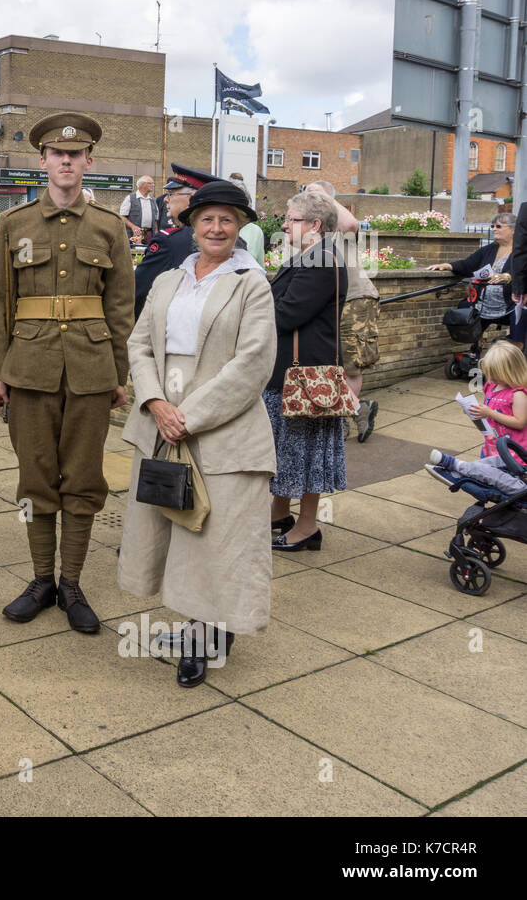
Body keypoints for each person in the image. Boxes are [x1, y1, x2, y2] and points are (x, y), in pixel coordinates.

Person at [118, 178, 277, 688]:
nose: (216, 227)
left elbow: (254, 364)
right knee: (175, 530)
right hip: (163, 421)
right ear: (192, 224)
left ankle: (210, 639)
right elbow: (138, 344)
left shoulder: (251, 283)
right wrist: (156, 403)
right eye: (207, 218)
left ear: (241, 227)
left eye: (227, 220)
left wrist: (189, 414)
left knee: (217, 537)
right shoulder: (169, 279)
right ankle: (192, 624)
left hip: (222, 428)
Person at [0, 112, 134, 634]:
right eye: (57, 154)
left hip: (92, 370)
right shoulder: (13, 224)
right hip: (28, 367)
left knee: (84, 477)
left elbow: (120, 308)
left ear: (88, 162)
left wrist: (122, 373)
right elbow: (0, 303)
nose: (67, 161)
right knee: (35, 477)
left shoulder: (111, 227)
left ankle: (71, 583)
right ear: (43, 161)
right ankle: (40, 580)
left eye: (76, 155)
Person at [267, 191, 350, 551]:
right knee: (287, 451)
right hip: (292, 375)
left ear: (315, 225)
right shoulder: (308, 257)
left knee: (304, 452)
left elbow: (284, 314)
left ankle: (307, 527)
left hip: (304, 380)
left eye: (293, 218)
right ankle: (279, 512)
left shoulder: (320, 261)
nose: (285, 224)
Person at [307, 179, 381, 441]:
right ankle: (358, 410)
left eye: (316, 197)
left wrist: (323, 196)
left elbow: (351, 224)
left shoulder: (340, 224)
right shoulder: (315, 229)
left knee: (350, 365)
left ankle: (347, 416)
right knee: (329, 363)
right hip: (328, 302)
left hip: (355, 299)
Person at [427, 341, 527, 494]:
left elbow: (520, 422)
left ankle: (455, 467)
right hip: (492, 443)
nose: (492, 378)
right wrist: (475, 410)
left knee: (497, 476)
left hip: (512, 451)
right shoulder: (492, 386)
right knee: (485, 474)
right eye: (490, 373)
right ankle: (460, 473)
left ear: (511, 371)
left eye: (496, 374)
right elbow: (492, 406)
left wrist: (489, 413)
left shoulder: (518, 394)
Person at [133, 163, 229, 318]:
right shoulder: (234, 241)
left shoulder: (169, 242)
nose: (165, 200)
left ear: (191, 199)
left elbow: (137, 291)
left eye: (171, 193)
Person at [425, 212, 525, 350]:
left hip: (510, 305)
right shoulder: (489, 249)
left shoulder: (522, 251)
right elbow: (468, 264)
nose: (494, 229)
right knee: (467, 311)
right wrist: (448, 265)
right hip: (484, 304)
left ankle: (517, 352)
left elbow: (522, 272)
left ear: (513, 230)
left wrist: (506, 276)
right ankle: (475, 351)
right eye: (492, 226)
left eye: (499, 226)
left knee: (522, 315)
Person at [119, 175, 158, 244]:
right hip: (134, 235)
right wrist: (133, 226)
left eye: (153, 183)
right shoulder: (130, 198)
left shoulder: (153, 200)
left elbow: (155, 221)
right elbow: (122, 217)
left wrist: (156, 233)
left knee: (149, 253)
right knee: (135, 252)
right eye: (150, 183)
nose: (153, 185)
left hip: (150, 235)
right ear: (142, 185)